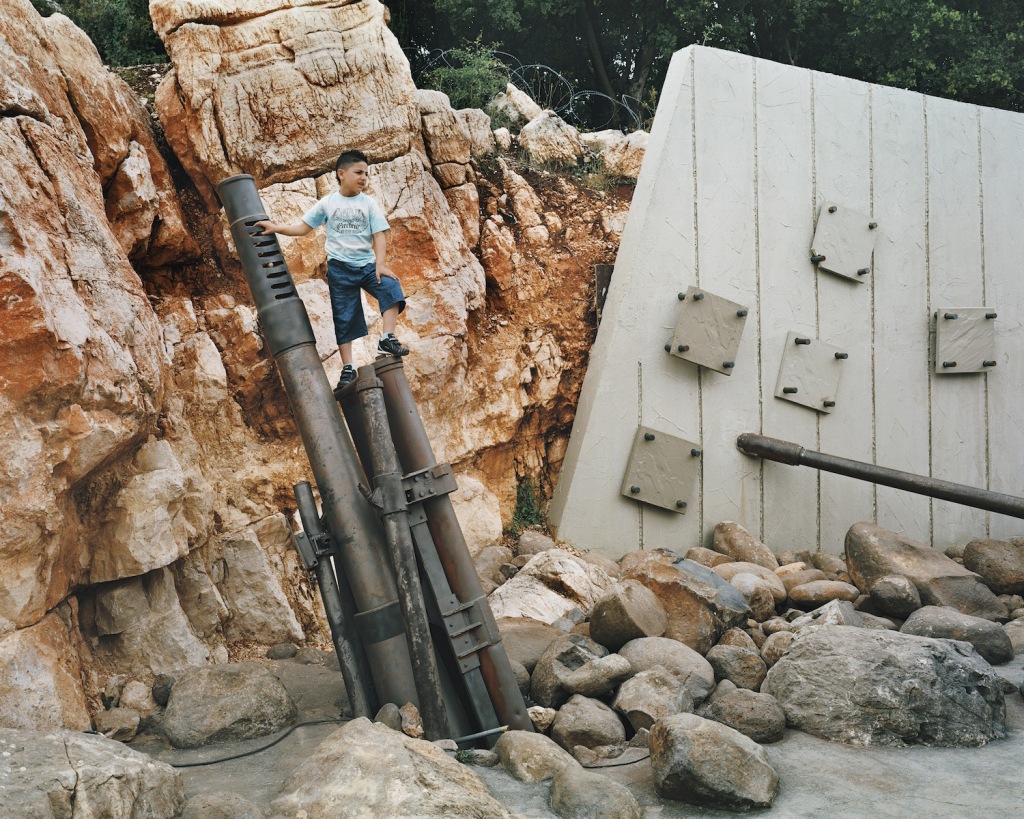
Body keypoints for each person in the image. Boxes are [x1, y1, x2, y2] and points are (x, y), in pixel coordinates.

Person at [254, 149, 409, 396]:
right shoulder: (328, 202)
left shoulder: (368, 204)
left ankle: (387, 338)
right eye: (358, 172)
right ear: (341, 174)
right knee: (344, 316)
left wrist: (380, 264)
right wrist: (276, 228)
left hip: (368, 266)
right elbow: (303, 227)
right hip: (340, 269)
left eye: (366, 174)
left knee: (391, 288)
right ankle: (348, 367)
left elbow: (379, 235)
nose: (363, 178)